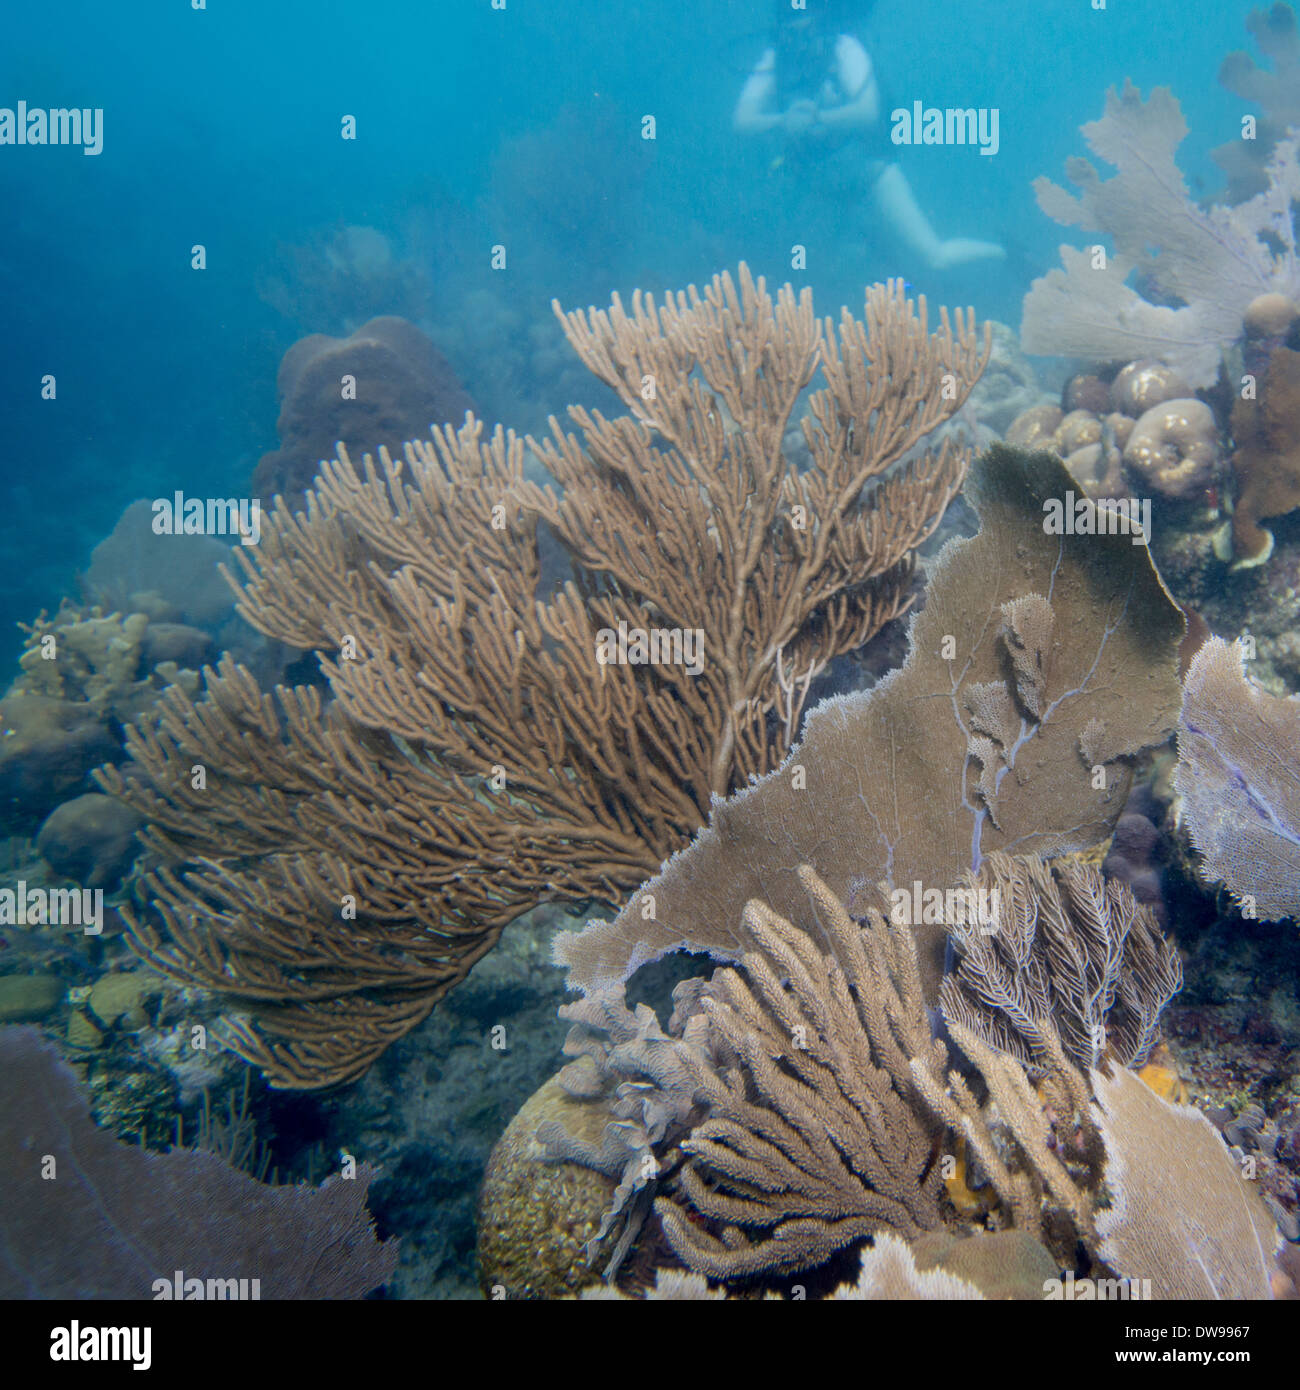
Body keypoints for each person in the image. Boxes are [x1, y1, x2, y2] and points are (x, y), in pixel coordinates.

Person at [734, 1, 1005, 272]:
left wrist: (814, 119)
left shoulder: (843, 49)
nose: (801, 43)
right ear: (780, 35)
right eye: (792, 35)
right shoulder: (776, 61)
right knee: (822, 270)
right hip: (819, 187)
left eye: (808, 32)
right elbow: (741, 121)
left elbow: (868, 112)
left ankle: (1005, 254)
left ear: (821, 26)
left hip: (870, 174)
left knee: (935, 257)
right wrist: (785, 121)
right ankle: (870, 245)